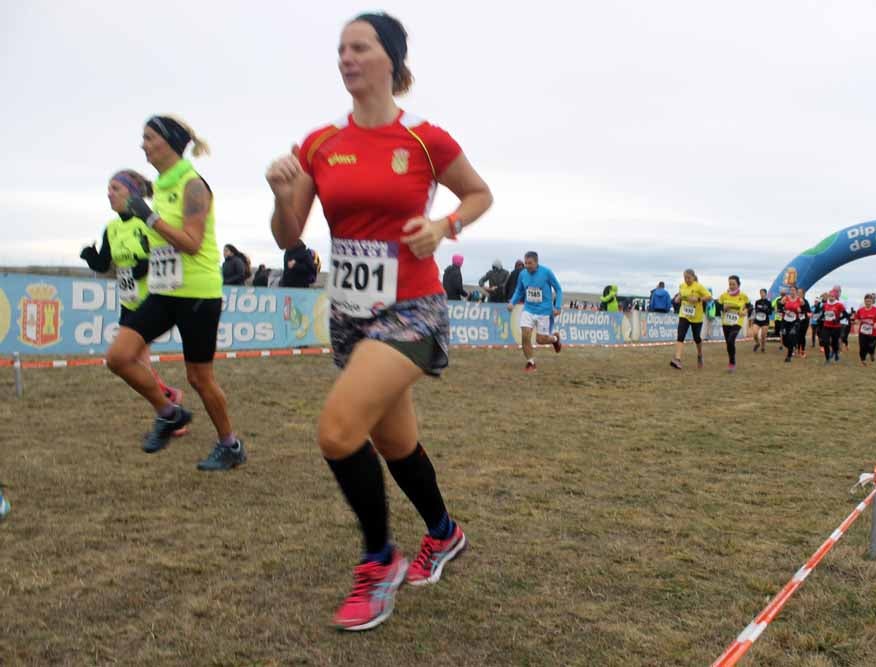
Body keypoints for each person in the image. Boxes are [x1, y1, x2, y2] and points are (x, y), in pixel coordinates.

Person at [265, 11, 493, 631]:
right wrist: (280, 193)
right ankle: (443, 534)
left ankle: (379, 559)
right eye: (340, 49)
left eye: (359, 47)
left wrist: (444, 226)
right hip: (350, 312)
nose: (346, 58)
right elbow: (290, 236)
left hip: (414, 307)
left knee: (339, 431)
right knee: (396, 443)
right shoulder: (318, 143)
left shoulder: (425, 138)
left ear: (390, 58)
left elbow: (478, 194)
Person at [106, 114, 245, 471]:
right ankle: (169, 413)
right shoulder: (160, 184)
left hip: (197, 292)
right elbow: (151, 233)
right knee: (119, 358)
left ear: (168, 142)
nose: (143, 145)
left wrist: (149, 217)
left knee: (200, 378)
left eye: (149, 137)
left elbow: (192, 243)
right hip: (164, 290)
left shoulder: (193, 185)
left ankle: (230, 445)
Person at [81, 169, 186, 417]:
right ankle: (169, 399)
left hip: (153, 300)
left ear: (133, 192)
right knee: (134, 361)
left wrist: (146, 265)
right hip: (129, 301)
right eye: (108, 189)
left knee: (134, 360)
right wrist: (90, 257)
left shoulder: (147, 222)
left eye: (115, 188)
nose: (109, 194)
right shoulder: (111, 228)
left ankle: (170, 410)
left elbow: (170, 253)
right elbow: (105, 264)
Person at [507, 251, 563, 371]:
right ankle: (530, 362)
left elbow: (558, 289)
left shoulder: (546, 272)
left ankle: (555, 339)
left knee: (541, 339)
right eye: (525, 263)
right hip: (528, 309)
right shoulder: (522, 274)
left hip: (544, 311)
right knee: (525, 335)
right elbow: (519, 290)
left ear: (536, 262)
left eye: (530, 263)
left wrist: (557, 306)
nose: (527, 265)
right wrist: (513, 302)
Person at [670, 269, 711, 370]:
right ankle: (678, 359)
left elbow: (709, 297)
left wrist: (698, 299)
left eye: (688, 278)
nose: (687, 280)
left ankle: (700, 355)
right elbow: (681, 294)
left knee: (697, 337)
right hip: (684, 314)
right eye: (685, 278)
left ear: (693, 277)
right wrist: (678, 298)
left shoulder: (698, 286)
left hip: (696, 317)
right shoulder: (682, 285)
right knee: (680, 335)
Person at [717, 275, 749, 372]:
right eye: (730, 284)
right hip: (726, 322)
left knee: (731, 340)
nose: (731, 286)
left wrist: (744, 312)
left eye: (733, 284)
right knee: (728, 343)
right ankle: (732, 360)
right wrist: (723, 308)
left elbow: (750, 307)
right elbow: (717, 308)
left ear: (738, 285)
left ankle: (732, 362)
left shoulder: (743, 296)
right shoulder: (723, 296)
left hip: (737, 322)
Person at [819, 291, 847, 363]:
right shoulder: (825, 305)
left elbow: (845, 315)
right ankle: (827, 358)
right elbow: (823, 314)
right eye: (830, 296)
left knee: (834, 343)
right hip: (826, 326)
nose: (831, 298)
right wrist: (820, 318)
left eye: (833, 296)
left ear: (835, 297)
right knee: (825, 342)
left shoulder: (839, 305)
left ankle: (836, 354)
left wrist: (838, 319)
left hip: (836, 327)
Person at [855, 293, 876, 365]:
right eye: (866, 301)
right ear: (864, 301)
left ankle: (871, 353)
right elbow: (856, 318)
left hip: (873, 332)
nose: (868, 303)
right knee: (862, 346)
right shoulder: (860, 310)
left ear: (872, 301)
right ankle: (863, 360)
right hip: (863, 331)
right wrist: (857, 321)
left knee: (871, 346)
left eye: (869, 301)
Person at [780, 288, 805, 363]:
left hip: (795, 321)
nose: (792, 292)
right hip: (785, 321)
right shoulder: (785, 298)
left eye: (793, 291)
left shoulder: (800, 300)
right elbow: (779, 307)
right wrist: (785, 310)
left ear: (796, 292)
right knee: (784, 340)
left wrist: (800, 310)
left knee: (791, 336)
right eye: (791, 290)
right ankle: (793, 347)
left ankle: (789, 356)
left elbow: (804, 310)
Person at [795, 287, 811, 358]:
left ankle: (802, 351)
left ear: (803, 294)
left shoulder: (805, 302)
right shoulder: (795, 301)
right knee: (796, 336)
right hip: (796, 321)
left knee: (802, 336)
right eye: (797, 293)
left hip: (804, 321)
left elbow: (809, 312)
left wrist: (802, 312)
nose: (798, 294)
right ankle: (797, 350)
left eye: (800, 293)